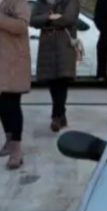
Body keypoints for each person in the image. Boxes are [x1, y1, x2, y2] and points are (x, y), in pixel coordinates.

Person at [30, 0, 80, 133]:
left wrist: (46, 23)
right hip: (47, 47)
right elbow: (32, 20)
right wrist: (49, 17)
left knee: (62, 81)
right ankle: (60, 115)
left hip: (64, 47)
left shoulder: (70, 1)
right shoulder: (41, 3)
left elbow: (68, 19)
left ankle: (56, 116)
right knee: (52, 82)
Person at [0, 0, 31, 170]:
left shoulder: (18, 2)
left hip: (14, 63)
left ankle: (16, 150)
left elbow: (21, 26)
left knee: (11, 104)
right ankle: (9, 140)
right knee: (2, 106)